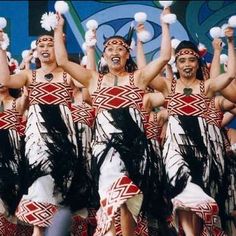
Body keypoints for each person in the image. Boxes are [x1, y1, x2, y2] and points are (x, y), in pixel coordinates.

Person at [53, 6, 171, 235]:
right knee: (117, 190)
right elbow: (63, 61)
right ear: (104, 55)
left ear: (128, 55)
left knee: (129, 201)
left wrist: (165, 23)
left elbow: (165, 56)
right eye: (109, 47)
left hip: (135, 148)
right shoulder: (92, 79)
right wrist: (59, 29)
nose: (115, 50)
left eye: (121, 48)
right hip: (105, 149)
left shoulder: (138, 78)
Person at [0, 31, 90, 236]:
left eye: (50, 44)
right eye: (41, 44)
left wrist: (87, 47)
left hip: (64, 138)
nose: (45, 47)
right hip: (37, 138)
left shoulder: (68, 75)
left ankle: (52, 228)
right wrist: (2, 47)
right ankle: (38, 230)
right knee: (39, 180)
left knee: (60, 185)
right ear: (36, 51)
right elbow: (5, 79)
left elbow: (89, 83)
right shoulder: (29, 75)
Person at [148, 25, 235, 235]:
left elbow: (231, 74)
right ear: (176, 64)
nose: (187, 64)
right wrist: (165, 26)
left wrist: (230, 44)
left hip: (202, 150)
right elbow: (148, 71)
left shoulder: (208, 87)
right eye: (182, 60)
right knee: (183, 189)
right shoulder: (169, 87)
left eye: (192, 60)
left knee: (195, 199)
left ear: (197, 63)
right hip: (175, 150)